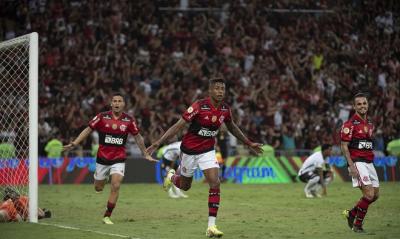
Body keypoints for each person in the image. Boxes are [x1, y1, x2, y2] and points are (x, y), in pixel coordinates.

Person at [147, 78, 263, 237]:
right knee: (185, 185)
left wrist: (249, 143)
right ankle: (173, 176)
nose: (220, 91)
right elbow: (178, 125)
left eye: (222, 88)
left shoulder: (225, 109)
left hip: (208, 150)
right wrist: (158, 143)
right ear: (210, 91)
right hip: (189, 151)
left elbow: (232, 127)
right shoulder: (199, 106)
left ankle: (211, 226)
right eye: (217, 88)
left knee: (215, 182)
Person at [63, 93, 157, 225]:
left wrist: (145, 153)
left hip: (118, 159)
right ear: (111, 104)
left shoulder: (129, 120)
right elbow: (88, 129)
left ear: (123, 104)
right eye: (115, 101)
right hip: (102, 159)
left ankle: (107, 215)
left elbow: (138, 137)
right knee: (98, 188)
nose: (117, 103)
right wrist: (76, 142)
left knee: (116, 185)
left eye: (120, 101)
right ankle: (103, 178)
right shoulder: (102, 117)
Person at [340, 93, 379, 233]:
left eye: (364, 103)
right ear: (354, 106)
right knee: (368, 195)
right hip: (357, 162)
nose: (362, 106)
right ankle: (357, 225)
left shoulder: (369, 124)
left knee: (375, 196)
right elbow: (344, 146)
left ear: (367, 105)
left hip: (369, 162)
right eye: (359, 104)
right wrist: (351, 165)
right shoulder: (349, 125)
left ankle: (351, 213)